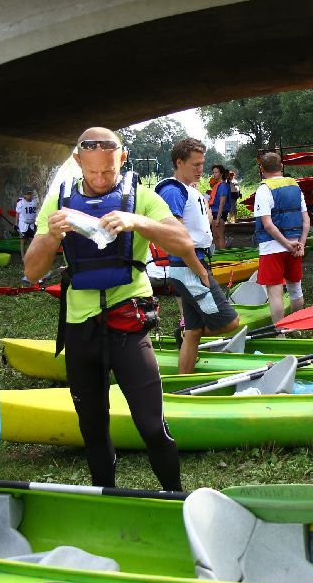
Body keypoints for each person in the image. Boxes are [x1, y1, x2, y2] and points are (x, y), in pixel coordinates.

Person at [25, 128, 200, 492]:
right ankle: (107, 497)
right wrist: (51, 236)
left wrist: (137, 221)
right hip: (80, 329)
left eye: (109, 170)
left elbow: (183, 243)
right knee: (92, 428)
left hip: (128, 323)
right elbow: (32, 270)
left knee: (151, 425)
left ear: (122, 158)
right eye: (92, 172)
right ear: (77, 162)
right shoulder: (58, 201)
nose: (101, 179)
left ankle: (175, 497)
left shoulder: (142, 197)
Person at [157, 139, 240, 375]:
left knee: (194, 331)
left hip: (193, 264)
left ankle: (183, 379)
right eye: (196, 164)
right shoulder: (173, 191)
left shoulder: (189, 190)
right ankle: (180, 333)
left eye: (202, 164)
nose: (201, 169)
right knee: (230, 322)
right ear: (179, 162)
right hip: (189, 266)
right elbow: (176, 238)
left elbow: (201, 224)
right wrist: (201, 271)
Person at [254, 151, 310, 324]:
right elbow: (306, 220)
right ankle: (296, 326)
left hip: (272, 248)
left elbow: (267, 224)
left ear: (262, 170)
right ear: (282, 166)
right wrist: (300, 244)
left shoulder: (264, 189)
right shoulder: (295, 187)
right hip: (295, 245)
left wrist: (286, 244)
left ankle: (280, 333)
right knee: (296, 290)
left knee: (275, 294)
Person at [207, 164, 231, 250]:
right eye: (213, 172)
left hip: (219, 213)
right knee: (215, 236)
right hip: (214, 212)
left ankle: (223, 253)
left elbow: (222, 203)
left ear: (221, 173)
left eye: (216, 172)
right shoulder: (216, 185)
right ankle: (218, 253)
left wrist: (218, 218)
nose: (214, 174)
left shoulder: (223, 186)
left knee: (220, 235)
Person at [16, 186, 39, 267]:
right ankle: (23, 258)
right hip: (23, 225)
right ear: (24, 195)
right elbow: (17, 214)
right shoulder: (20, 203)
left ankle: (33, 257)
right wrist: (16, 224)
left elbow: (35, 213)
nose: (29, 195)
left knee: (32, 241)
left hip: (31, 225)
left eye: (30, 194)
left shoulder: (34, 202)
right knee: (23, 242)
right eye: (28, 194)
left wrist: (36, 223)